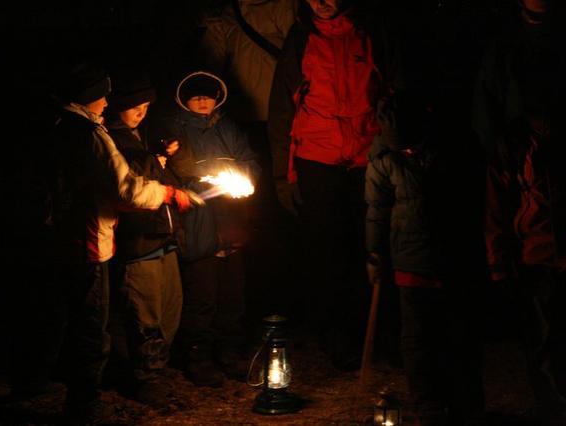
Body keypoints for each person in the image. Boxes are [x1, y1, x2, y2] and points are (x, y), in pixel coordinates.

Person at [48, 61, 201, 424]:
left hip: (82, 238)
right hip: (87, 241)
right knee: (91, 322)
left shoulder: (69, 127)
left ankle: (73, 393)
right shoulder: (87, 133)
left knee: (83, 319)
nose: (106, 102)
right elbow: (123, 188)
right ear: (91, 97)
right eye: (103, 96)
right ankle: (83, 405)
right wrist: (165, 191)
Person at [267, 0, 396, 369]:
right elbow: (282, 113)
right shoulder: (301, 40)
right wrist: (283, 176)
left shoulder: (372, 34)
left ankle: (375, 335)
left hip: (366, 158)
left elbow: (393, 91)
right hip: (317, 160)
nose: (322, 2)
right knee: (326, 254)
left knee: (369, 247)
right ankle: (334, 338)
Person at [366, 91, 485, 426]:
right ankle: (427, 403)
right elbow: (376, 210)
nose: (406, 150)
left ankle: (465, 403)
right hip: (409, 258)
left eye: (410, 144)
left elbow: (472, 202)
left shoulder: (453, 149)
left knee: (458, 332)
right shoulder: (382, 158)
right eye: (399, 146)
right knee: (417, 338)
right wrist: (374, 252)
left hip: (452, 255)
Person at [473, 1, 566, 424]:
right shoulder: (513, 150)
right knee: (542, 341)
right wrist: (499, 263)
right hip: (536, 257)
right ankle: (550, 409)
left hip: (551, 254)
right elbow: (498, 209)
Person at [196, 0, 299, 320]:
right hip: (262, 121)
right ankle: (271, 299)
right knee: (268, 213)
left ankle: (276, 298)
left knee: (272, 212)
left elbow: (209, 63)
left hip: (274, 121)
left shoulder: (273, 9)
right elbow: (210, 62)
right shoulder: (230, 14)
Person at [163, 70, 260, 387]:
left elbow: (250, 163)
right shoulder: (176, 133)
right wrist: (196, 182)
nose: (203, 100)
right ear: (185, 100)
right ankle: (199, 358)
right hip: (198, 227)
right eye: (196, 96)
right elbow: (175, 175)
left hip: (231, 223)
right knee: (202, 296)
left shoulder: (228, 128)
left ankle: (229, 352)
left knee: (233, 294)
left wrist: (238, 178)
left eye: (208, 95)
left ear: (219, 98)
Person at [103, 67, 185, 407]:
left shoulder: (144, 134)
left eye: (147, 105)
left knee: (170, 313)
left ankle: (156, 373)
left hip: (163, 241)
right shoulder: (110, 140)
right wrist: (157, 161)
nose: (141, 112)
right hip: (138, 247)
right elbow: (132, 185)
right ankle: (145, 379)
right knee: (144, 317)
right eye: (135, 105)